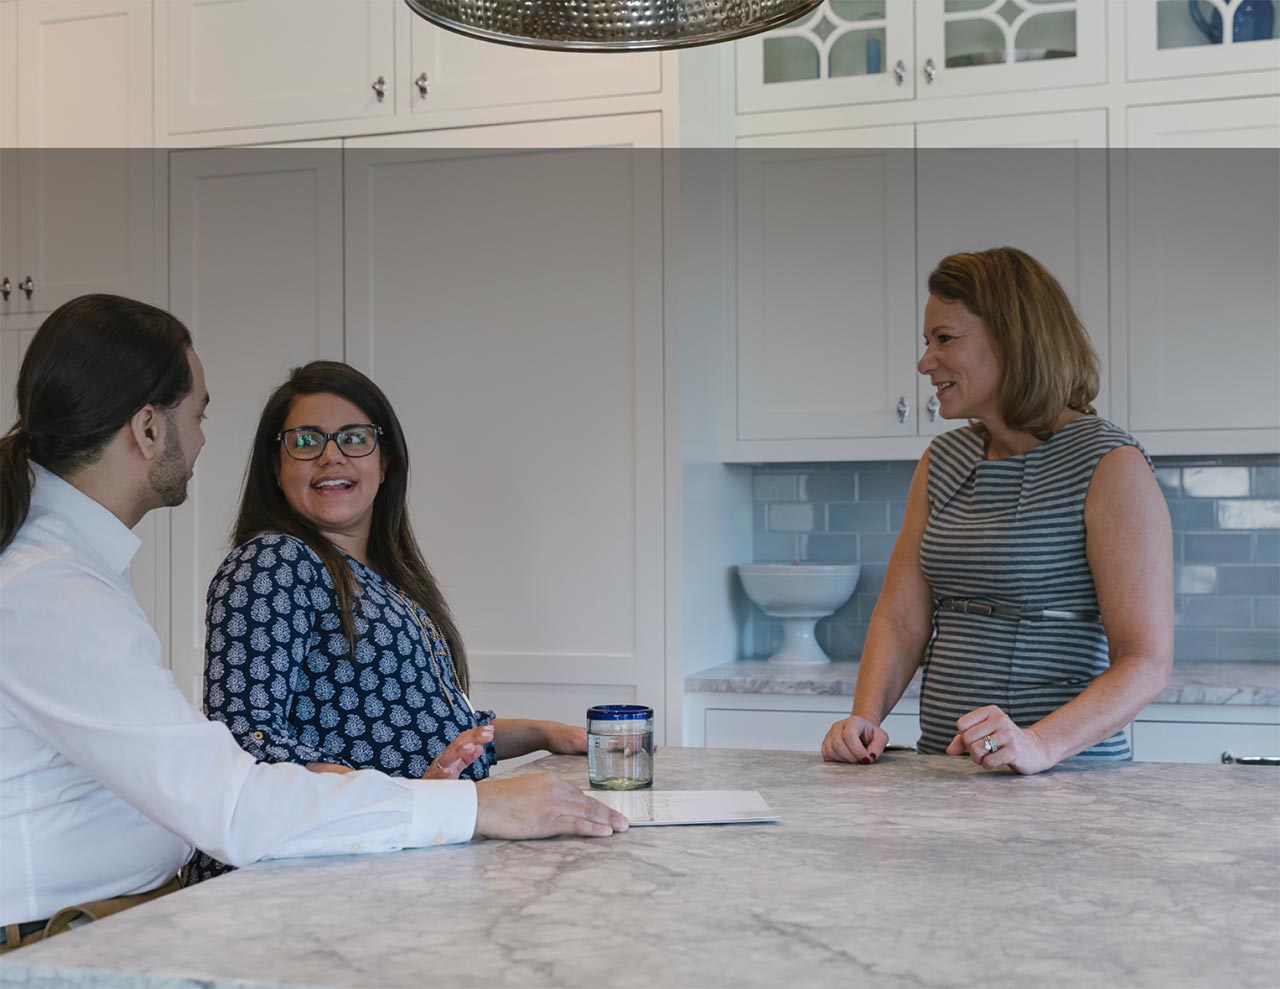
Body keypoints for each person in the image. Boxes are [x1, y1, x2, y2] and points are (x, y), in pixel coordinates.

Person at [0, 296, 626, 951]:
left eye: (354, 439)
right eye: (199, 413)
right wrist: (471, 806)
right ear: (149, 428)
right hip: (64, 939)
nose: (204, 439)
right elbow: (234, 796)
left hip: (117, 920)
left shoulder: (69, 571)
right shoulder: (54, 590)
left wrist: (511, 752)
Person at [191, 360, 591, 880]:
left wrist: (544, 733)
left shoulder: (385, 578)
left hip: (386, 856)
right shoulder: (274, 560)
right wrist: (405, 800)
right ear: (276, 465)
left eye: (354, 438)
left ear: (385, 461)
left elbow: (425, 727)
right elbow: (246, 740)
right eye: (306, 440)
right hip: (299, 874)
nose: (330, 455)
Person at [821, 248, 1174, 775]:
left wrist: (1041, 744)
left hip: (1065, 776)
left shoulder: (1109, 464)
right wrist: (864, 718)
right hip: (944, 770)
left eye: (944, 338)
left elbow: (1146, 661)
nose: (925, 362)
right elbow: (901, 617)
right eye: (926, 342)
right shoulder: (943, 460)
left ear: (1013, 339)